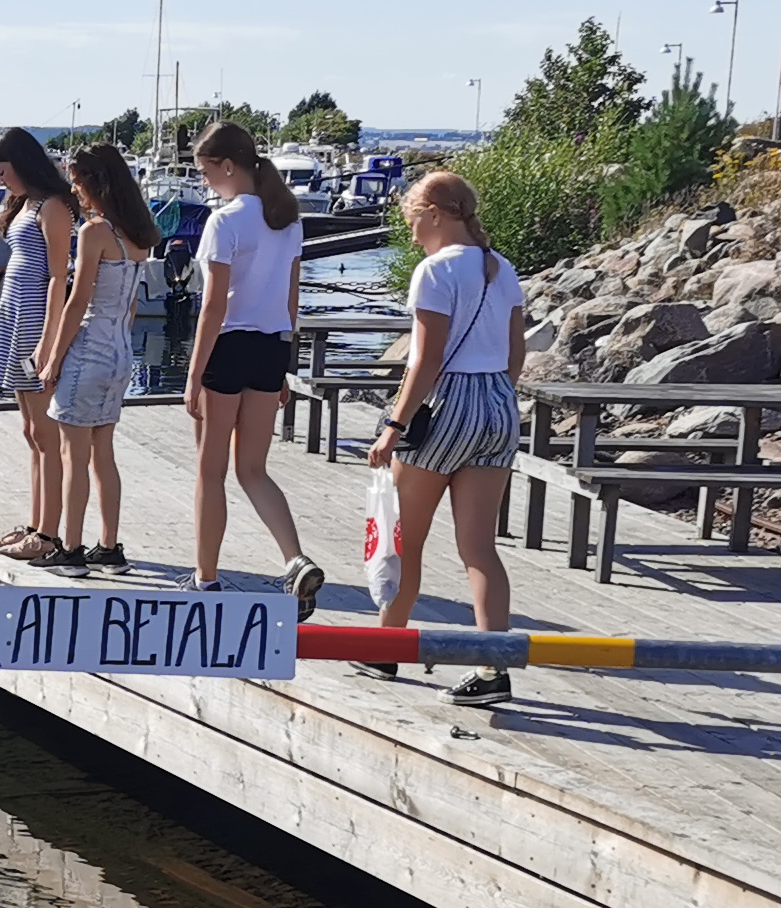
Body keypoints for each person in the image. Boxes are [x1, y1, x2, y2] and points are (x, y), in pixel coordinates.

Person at [363, 169, 526, 708]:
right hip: (499, 401)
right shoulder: (501, 268)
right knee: (480, 547)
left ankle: (387, 646)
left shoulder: (434, 272)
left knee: (407, 538)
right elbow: (515, 356)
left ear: (435, 213)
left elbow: (425, 360)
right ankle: (493, 667)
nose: (408, 222)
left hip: (448, 403)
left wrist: (393, 426)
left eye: (411, 211)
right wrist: (493, 397)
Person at [182, 121, 327, 605]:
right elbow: (292, 299)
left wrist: (194, 373)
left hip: (228, 346)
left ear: (226, 166)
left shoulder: (225, 221)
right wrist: (285, 366)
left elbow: (214, 306)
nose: (204, 181)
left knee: (210, 470)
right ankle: (294, 559)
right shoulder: (288, 220)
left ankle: (205, 578)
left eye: (205, 171)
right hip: (270, 348)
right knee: (254, 469)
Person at [28, 143, 160, 577]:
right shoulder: (139, 234)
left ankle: (70, 549)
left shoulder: (94, 233)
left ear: (94, 182)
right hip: (121, 352)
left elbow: (77, 300)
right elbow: (132, 306)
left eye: (78, 180)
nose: (74, 188)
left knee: (73, 455)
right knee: (104, 453)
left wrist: (52, 360)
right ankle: (109, 546)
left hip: (89, 351)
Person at [0, 128, 78, 562]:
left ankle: (49, 532)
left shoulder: (53, 207)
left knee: (46, 434)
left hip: (35, 318)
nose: (0, 181)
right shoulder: (25, 204)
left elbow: (57, 276)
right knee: (32, 432)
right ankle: (35, 523)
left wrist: (50, 341)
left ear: (22, 164)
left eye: (3, 172)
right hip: (14, 313)